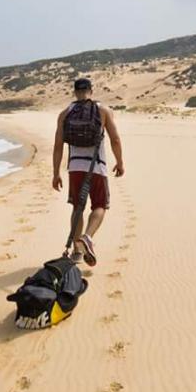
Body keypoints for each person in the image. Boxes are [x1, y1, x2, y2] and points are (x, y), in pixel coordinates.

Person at [52, 78, 124, 265]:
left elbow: (58, 146)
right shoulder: (103, 110)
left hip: (75, 168)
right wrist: (120, 162)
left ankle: (76, 250)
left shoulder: (65, 114)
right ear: (91, 91)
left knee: (77, 207)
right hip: (96, 167)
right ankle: (88, 237)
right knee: (99, 205)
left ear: (75, 92)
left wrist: (56, 173)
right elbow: (115, 139)